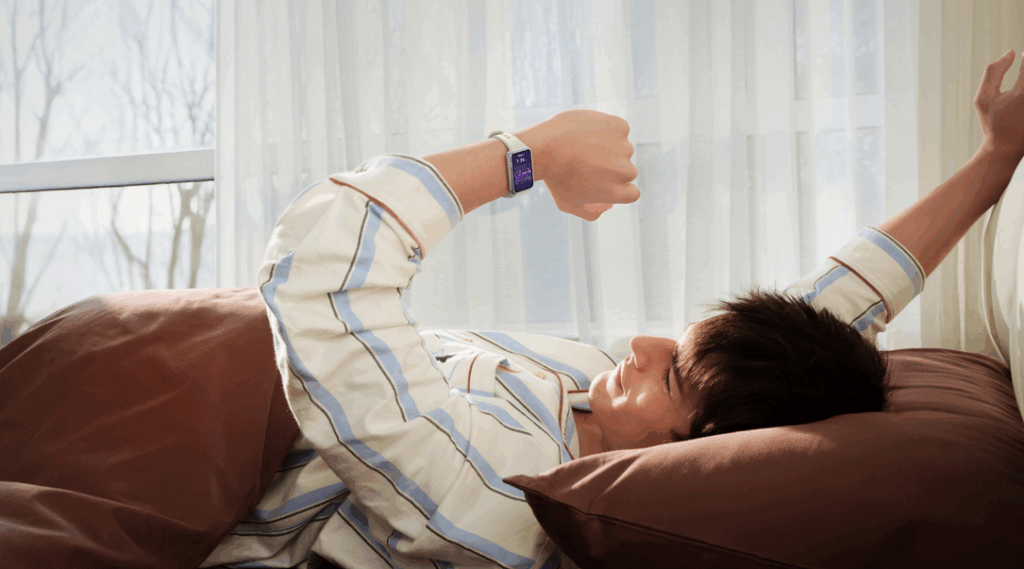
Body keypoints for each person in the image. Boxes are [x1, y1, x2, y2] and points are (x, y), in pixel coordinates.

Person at [202, 49, 1024, 568]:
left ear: (696, 452)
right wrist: (995, 160)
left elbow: (320, 275)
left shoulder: (498, 496)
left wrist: (527, 155)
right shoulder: (614, 408)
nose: (642, 344)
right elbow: (836, 307)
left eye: (673, 373)